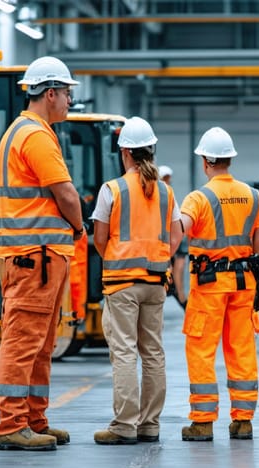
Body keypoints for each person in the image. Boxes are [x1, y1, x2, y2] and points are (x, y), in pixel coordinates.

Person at [0, 56, 85, 452]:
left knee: (40, 344)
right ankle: (12, 425)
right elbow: (66, 194)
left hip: (36, 257)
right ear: (49, 94)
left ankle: (33, 419)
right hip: (34, 257)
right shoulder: (36, 136)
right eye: (66, 93)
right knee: (22, 342)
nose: (69, 101)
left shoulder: (25, 132)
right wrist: (79, 227)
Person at [91, 117, 183, 445]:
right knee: (153, 353)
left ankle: (124, 425)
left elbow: (99, 238)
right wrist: (157, 257)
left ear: (125, 152)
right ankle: (150, 425)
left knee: (125, 352)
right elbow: (176, 236)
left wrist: (116, 258)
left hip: (121, 284)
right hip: (156, 282)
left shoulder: (112, 190)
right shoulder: (166, 192)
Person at [179, 127, 259, 442]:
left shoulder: (198, 198)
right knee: (241, 348)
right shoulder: (253, 196)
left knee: (202, 349)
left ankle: (203, 422)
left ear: (206, 161)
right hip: (244, 283)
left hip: (209, 286)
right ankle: (243, 420)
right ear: (229, 160)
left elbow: (181, 229)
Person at [160, 165, 189, 308]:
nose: (167, 182)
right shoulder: (160, 196)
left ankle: (181, 296)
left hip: (172, 241)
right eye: (164, 179)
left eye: (168, 179)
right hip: (164, 243)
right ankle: (181, 297)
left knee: (179, 265)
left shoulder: (169, 196)